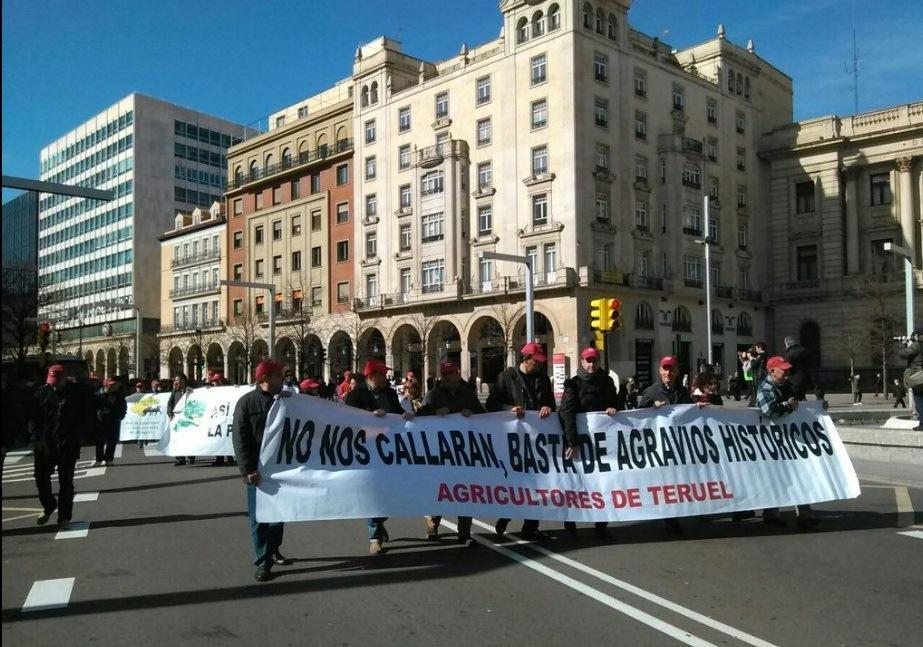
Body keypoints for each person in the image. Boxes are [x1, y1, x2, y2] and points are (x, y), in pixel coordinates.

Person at [487, 341, 556, 540]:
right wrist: (508, 408)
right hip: (513, 439)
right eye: (536, 361)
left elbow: (549, 402)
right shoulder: (506, 377)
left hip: (536, 437)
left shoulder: (543, 378)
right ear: (525, 359)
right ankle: (506, 514)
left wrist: (547, 408)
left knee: (536, 483)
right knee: (515, 481)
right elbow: (492, 404)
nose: (540, 365)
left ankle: (531, 525)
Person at [232, 359, 292, 581]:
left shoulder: (286, 400)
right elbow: (240, 439)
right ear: (265, 378)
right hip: (257, 470)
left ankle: (273, 549)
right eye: (278, 375)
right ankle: (263, 561)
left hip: (281, 469)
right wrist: (247, 470)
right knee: (259, 518)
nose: (282, 379)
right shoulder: (246, 403)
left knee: (279, 516)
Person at [345, 359, 413, 554]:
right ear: (372, 376)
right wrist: (369, 415)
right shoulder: (356, 395)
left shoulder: (390, 393)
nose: (386, 378)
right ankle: (374, 537)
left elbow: (398, 412)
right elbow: (349, 420)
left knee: (390, 492)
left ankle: (380, 521)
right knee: (374, 492)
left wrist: (405, 415)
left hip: (390, 448)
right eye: (382, 375)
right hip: (367, 450)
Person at [418, 362, 486, 544]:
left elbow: (485, 417)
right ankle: (432, 526)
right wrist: (434, 412)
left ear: (458, 374)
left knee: (464, 491)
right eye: (444, 374)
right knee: (437, 490)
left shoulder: (469, 395)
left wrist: (473, 414)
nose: (447, 377)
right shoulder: (433, 395)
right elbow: (418, 418)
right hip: (438, 453)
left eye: (451, 374)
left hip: (464, 454)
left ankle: (464, 531)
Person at [559, 347, 621, 540]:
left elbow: (618, 403)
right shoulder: (573, 384)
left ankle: (601, 523)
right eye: (588, 361)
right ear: (582, 362)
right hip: (577, 441)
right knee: (575, 482)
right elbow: (566, 413)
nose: (591, 364)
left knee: (602, 482)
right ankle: (570, 523)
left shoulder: (608, 381)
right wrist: (572, 442)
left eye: (594, 360)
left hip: (602, 443)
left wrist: (614, 407)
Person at [756, 356, 818, 529]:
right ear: (772, 371)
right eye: (784, 370)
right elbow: (770, 410)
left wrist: (818, 408)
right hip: (772, 441)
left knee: (798, 473)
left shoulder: (787, 387)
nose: (788, 373)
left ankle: (804, 511)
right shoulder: (765, 389)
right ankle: (771, 512)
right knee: (776, 475)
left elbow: (800, 406)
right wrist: (789, 406)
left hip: (789, 440)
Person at [29, 365, 93, 529]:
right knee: (40, 477)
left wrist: (80, 437)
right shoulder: (41, 392)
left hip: (67, 443)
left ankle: (64, 517)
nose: (54, 384)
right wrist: (35, 438)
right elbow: (33, 418)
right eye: (51, 381)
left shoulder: (77, 393)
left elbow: (85, 416)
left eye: (57, 381)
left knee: (66, 482)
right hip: (45, 442)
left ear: (65, 378)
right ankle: (49, 504)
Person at [93, 378, 127, 466]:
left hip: (114, 420)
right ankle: (99, 459)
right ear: (105, 385)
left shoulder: (118, 396)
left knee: (112, 441)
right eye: (110, 385)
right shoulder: (98, 395)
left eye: (113, 385)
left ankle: (109, 459)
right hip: (100, 421)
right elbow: (93, 407)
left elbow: (123, 407)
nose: (112, 386)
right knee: (100, 441)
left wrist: (120, 416)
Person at [168, 374, 196, 466]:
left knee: (189, 438)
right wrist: (170, 414)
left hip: (188, 418)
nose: (177, 382)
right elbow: (170, 404)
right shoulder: (175, 392)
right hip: (177, 418)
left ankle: (191, 456)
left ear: (184, 380)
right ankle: (180, 459)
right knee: (178, 438)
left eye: (179, 380)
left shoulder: (190, 390)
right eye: (176, 380)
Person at [898, 331, 923, 430]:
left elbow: (903, 354)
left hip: (919, 376)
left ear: (917, 336)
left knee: (919, 398)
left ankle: (922, 424)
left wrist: (903, 344)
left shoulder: (918, 345)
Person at [783, 335, 812, 402]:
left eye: (785, 344)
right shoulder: (803, 350)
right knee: (802, 396)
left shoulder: (790, 353)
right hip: (805, 377)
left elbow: (789, 367)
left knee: (794, 398)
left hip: (794, 379)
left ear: (788, 343)